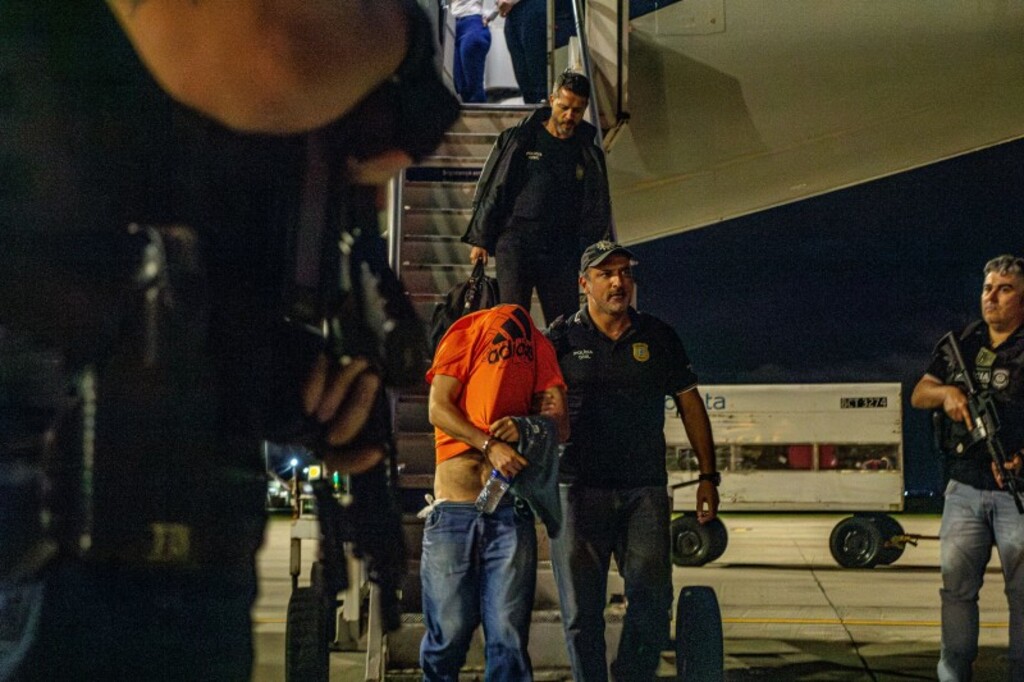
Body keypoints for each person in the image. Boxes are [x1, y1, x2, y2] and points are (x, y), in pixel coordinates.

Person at [0, 1, 458, 679]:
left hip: (134, 497)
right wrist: (410, 37)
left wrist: (269, 374)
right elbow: (267, 51)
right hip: (75, 514)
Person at [546, 241, 721, 681]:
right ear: (584, 284)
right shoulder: (560, 340)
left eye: (624, 272)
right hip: (578, 490)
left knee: (652, 602)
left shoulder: (658, 336)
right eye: (606, 274)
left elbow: (691, 404)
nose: (618, 281)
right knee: (582, 613)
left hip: (643, 490)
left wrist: (707, 476)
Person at [421, 303, 569, 680]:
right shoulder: (465, 333)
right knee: (448, 634)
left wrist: (526, 428)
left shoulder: (539, 347)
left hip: (508, 511)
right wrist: (489, 444)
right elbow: (437, 408)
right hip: (454, 509)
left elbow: (558, 421)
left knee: (506, 636)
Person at [911, 254, 1024, 682]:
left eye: (1005, 289)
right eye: (987, 288)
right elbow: (920, 393)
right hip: (963, 489)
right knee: (956, 593)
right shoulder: (962, 341)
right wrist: (948, 395)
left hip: (1018, 490)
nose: (991, 297)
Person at [462, 70, 612, 325]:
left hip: (560, 249)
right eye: (564, 107)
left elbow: (596, 208)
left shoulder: (588, 152)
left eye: (576, 110)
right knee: (512, 322)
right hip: (515, 244)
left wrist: (592, 256)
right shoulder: (521, 138)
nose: (569, 116)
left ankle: (561, 366)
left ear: (585, 107)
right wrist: (481, 239)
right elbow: (493, 186)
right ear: (552, 99)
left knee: (564, 324)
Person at [495, 0, 547, 104]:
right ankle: (533, 112)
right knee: (522, 74)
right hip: (512, 13)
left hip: (532, 7)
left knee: (536, 71)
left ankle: (544, 111)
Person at [450, 0, 493, 104]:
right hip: (452, 22)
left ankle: (480, 116)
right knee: (460, 85)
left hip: (472, 19)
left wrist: (492, 14)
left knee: (473, 86)